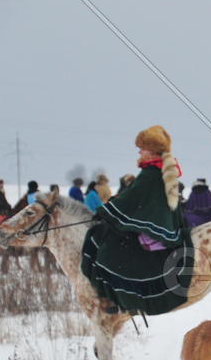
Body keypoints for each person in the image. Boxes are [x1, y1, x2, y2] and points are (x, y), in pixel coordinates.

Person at [80, 125, 193, 316]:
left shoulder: (150, 172)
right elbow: (134, 197)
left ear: (152, 150)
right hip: (165, 223)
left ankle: (123, 299)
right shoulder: (159, 169)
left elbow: (132, 199)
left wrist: (106, 210)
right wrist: (113, 205)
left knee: (108, 251)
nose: (139, 151)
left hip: (153, 230)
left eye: (142, 147)